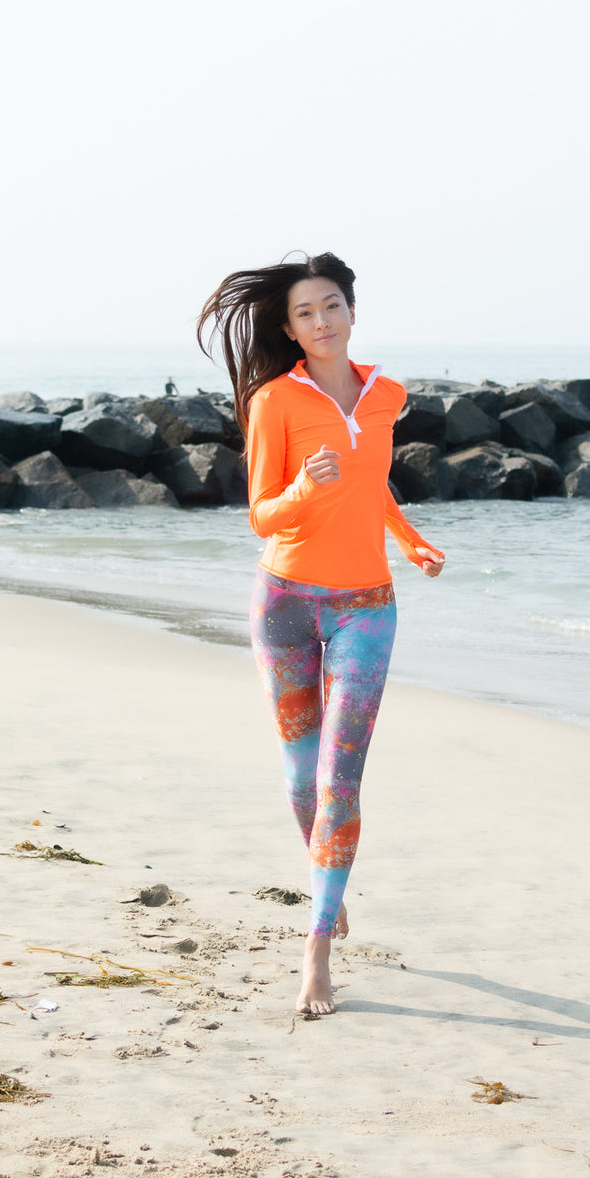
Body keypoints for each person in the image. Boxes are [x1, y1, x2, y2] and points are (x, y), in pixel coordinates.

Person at [198, 252, 445, 1015]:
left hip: (367, 603)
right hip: (284, 604)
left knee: (341, 779)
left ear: (351, 310)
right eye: (306, 313)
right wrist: (306, 487)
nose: (322, 321)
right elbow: (262, 515)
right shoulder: (274, 401)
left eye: (332, 305)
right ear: (289, 328)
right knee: (303, 780)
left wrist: (407, 536)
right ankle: (329, 893)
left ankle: (317, 946)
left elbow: (373, 484)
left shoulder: (386, 394)